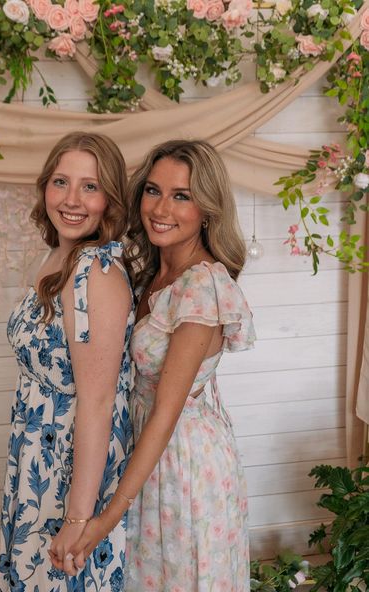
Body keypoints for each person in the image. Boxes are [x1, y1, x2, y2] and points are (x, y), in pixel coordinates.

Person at [66, 139, 256, 591]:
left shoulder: (202, 286)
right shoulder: (152, 273)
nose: (161, 208)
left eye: (181, 195)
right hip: (146, 454)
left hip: (183, 462)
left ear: (207, 209)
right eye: (153, 191)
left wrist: (105, 518)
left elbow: (166, 414)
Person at [0, 131, 134, 592]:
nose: (72, 199)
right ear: (44, 188)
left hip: (71, 470)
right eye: (61, 182)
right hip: (38, 456)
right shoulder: (57, 256)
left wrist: (79, 517)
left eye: (90, 186)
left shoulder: (96, 272)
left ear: (110, 200)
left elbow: (98, 403)